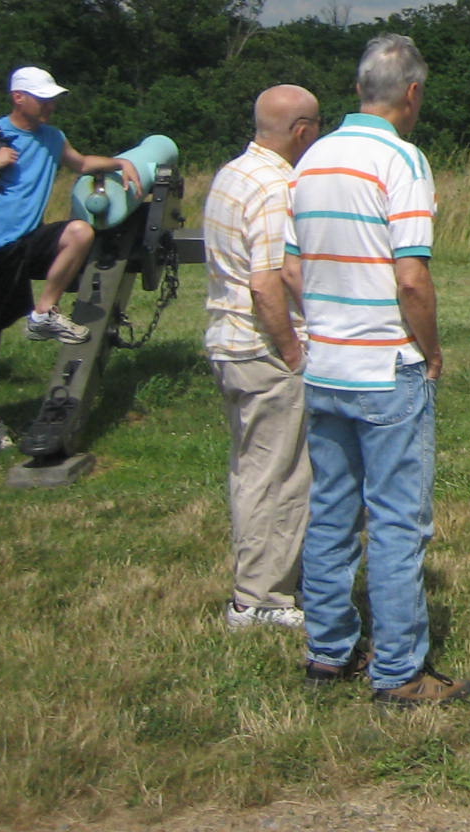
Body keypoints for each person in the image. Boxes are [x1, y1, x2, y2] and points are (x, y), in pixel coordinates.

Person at [292, 35, 469, 705]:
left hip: (326, 363)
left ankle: (328, 650)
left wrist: (323, 329)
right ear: (412, 93)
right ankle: (399, 670)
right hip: (385, 363)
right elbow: (412, 277)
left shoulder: (311, 159)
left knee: (332, 511)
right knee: (397, 520)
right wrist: (430, 350)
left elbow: (288, 266)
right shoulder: (401, 160)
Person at [0, 66, 142, 454]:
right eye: (43, 99)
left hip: (29, 238)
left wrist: (118, 163)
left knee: (80, 232)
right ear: (18, 98)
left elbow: (79, 163)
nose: (50, 105)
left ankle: (45, 311)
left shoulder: (51, 137)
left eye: (52, 99)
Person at [202, 85, 323, 630]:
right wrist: (293, 352)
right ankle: (260, 599)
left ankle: (261, 587)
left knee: (253, 469)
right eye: (316, 125)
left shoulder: (233, 173)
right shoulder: (278, 186)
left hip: (230, 342)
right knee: (279, 477)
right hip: (263, 349)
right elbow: (267, 282)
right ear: (301, 130)